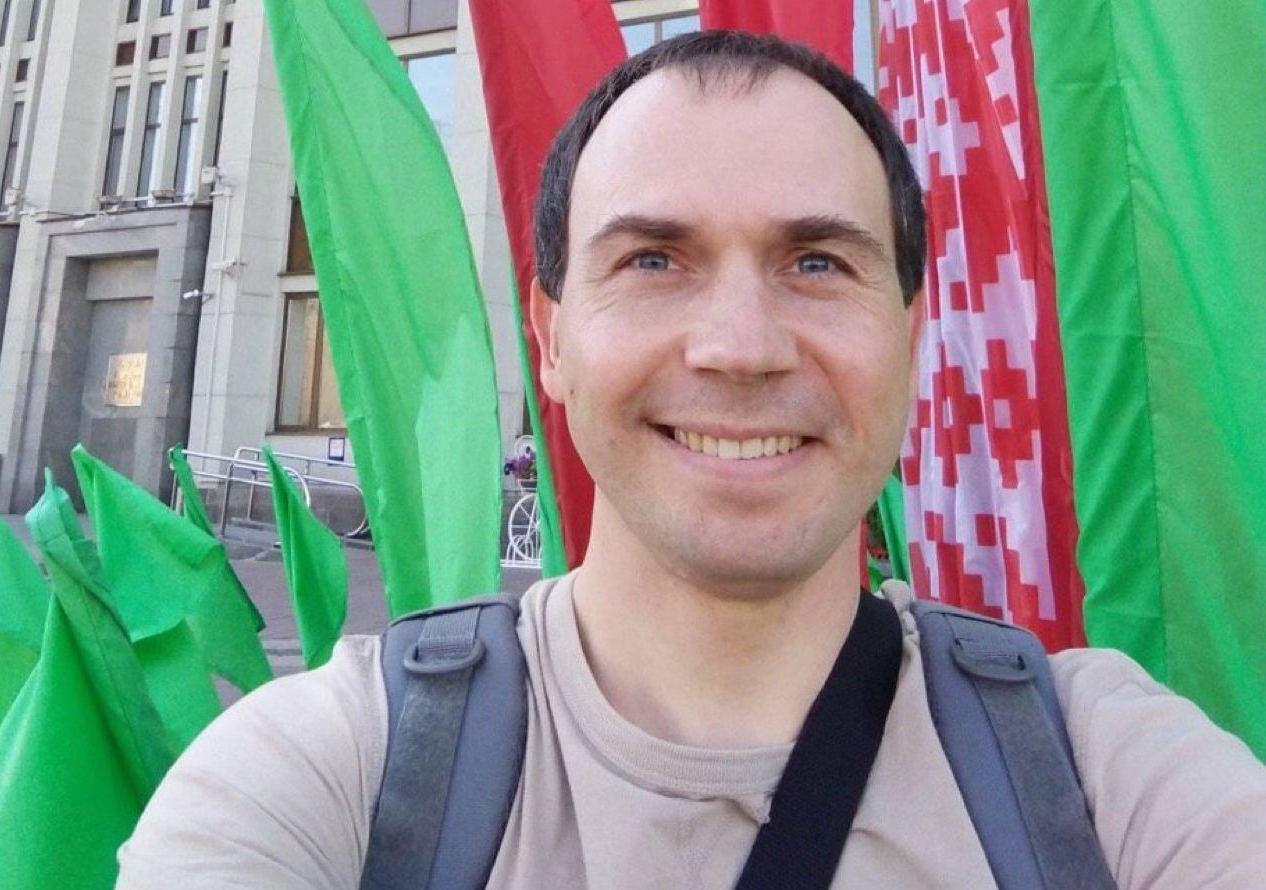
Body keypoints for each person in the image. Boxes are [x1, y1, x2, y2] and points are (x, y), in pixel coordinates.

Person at [117, 31, 1266, 889]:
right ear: (551, 339)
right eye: (655, 260)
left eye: (817, 263)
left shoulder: (1104, 776)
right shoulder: (337, 775)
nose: (741, 347)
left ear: (911, 337)